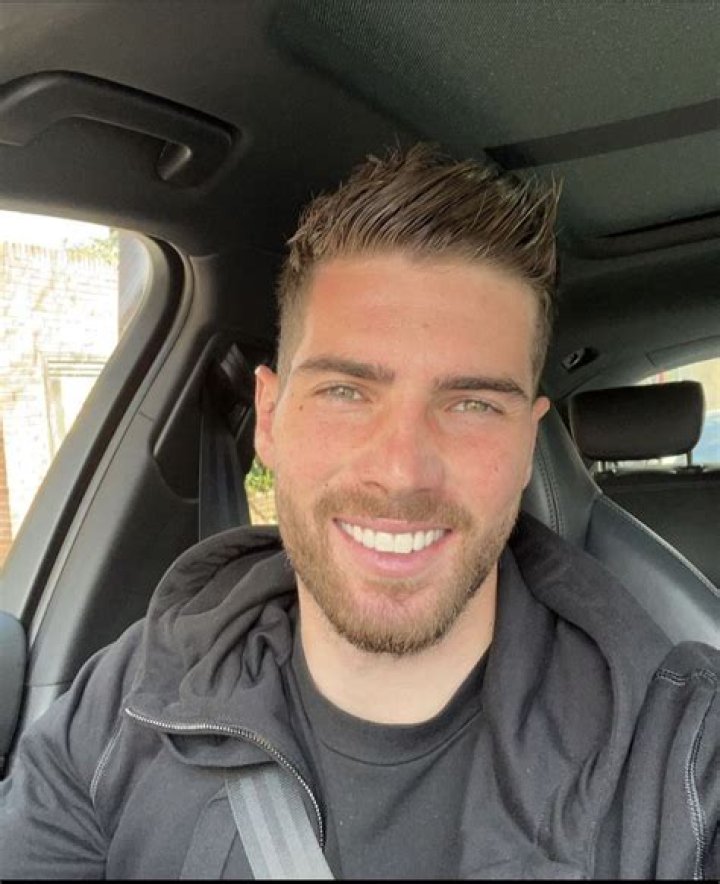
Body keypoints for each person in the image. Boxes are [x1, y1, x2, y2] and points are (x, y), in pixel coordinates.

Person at [0, 145, 717, 880]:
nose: (401, 472)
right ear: (270, 418)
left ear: (528, 443)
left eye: (472, 404)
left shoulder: (682, 762)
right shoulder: (138, 694)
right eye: (345, 392)